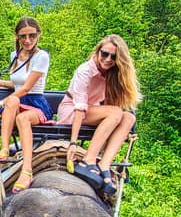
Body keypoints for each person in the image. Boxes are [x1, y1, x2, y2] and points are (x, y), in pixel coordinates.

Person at [59, 34, 141, 196]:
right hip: (72, 111)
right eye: (105, 54)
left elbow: (113, 105)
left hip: (93, 112)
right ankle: (88, 161)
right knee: (116, 112)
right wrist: (73, 143)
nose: (108, 59)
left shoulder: (112, 74)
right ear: (97, 52)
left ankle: (104, 164)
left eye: (114, 56)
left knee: (129, 118)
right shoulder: (85, 71)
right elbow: (80, 109)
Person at [0, 17, 52, 193]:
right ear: (17, 36)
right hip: (17, 101)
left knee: (22, 118)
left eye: (32, 36)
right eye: (23, 36)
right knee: (13, 100)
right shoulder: (14, 56)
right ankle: (4, 149)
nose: (27, 40)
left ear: (38, 35)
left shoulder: (41, 56)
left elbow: (27, 88)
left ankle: (27, 170)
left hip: (35, 102)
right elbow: (17, 86)